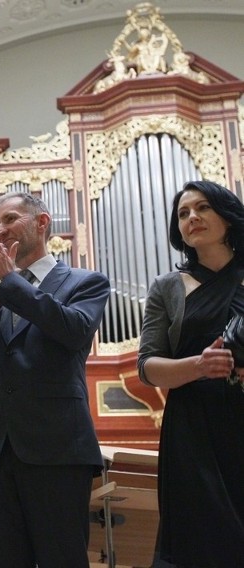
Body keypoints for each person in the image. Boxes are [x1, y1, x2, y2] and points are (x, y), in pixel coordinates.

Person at [0, 192, 109, 568]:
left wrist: (8, 281)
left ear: (41, 223)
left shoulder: (85, 282)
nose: (0, 230)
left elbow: (73, 331)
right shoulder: (1, 292)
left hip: (58, 447)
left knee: (62, 559)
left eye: (9, 220)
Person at [138, 180, 244, 567]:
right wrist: (198, 365)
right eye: (183, 213)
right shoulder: (166, 287)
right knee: (198, 542)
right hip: (193, 428)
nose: (192, 218)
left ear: (227, 216)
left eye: (202, 208)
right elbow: (148, 367)